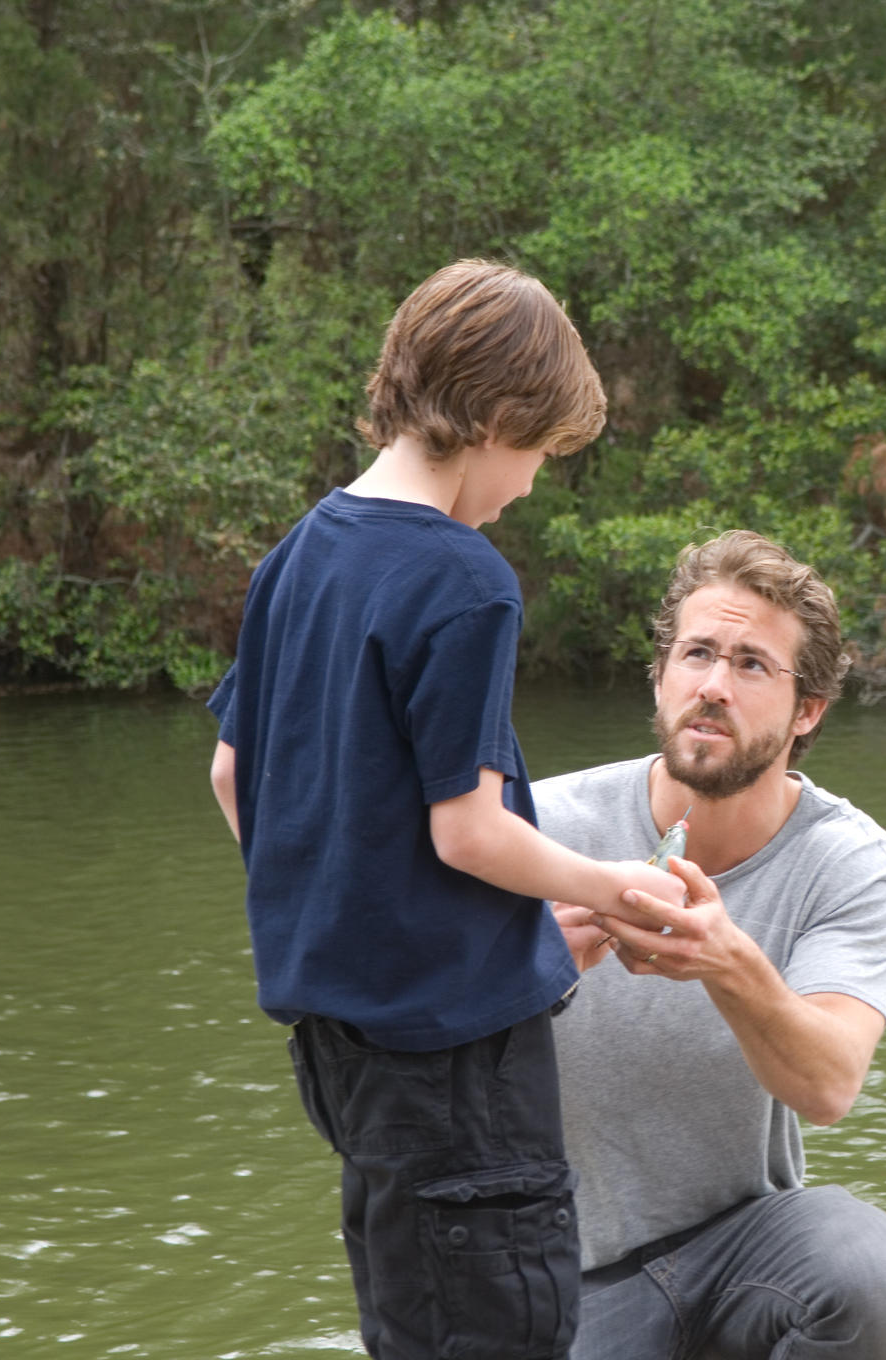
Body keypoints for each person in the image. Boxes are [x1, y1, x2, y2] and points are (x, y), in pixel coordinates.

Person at [206, 259, 683, 1360]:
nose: (525, 488)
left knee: (410, 1321)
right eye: (538, 456)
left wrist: (482, 941)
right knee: (500, 1326)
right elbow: (463, 829)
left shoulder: (298, 554)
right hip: (459, 1077)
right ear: (498, 416)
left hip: (346, 1054)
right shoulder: (464, 579)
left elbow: (239, 780)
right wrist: (618, 884)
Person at [531, 530, 886, 1359]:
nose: (714, 686)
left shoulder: (854, 862)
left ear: (808, 711)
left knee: (884, 1282)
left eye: (753, 664)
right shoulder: (538, 829)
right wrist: (527, 970)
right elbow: (408, 1044)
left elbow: (828, 1085)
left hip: (746, 1248)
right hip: (560, 1268)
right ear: (659, 677)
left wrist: (727, 960)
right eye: (697, 654)